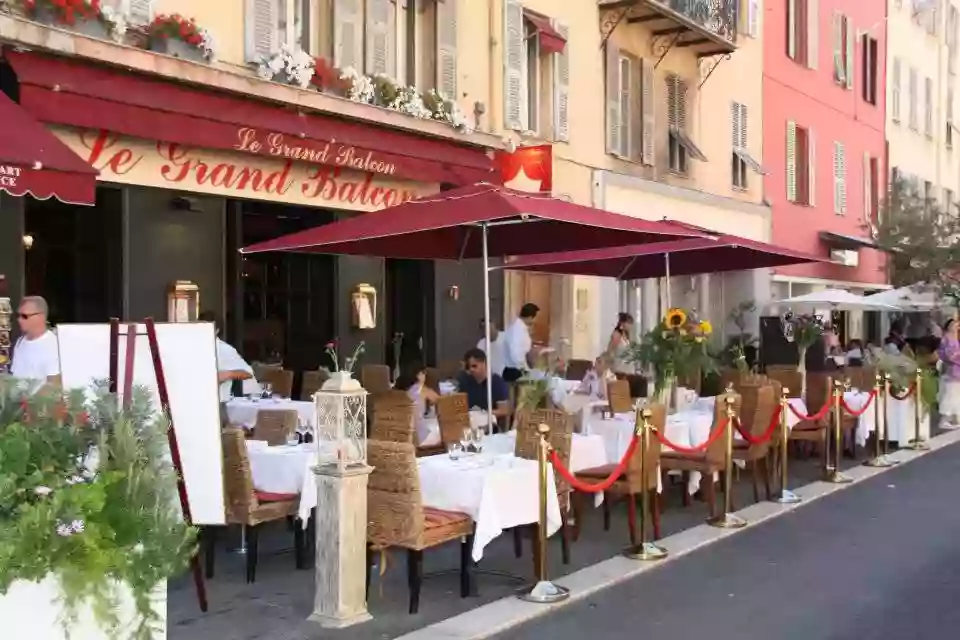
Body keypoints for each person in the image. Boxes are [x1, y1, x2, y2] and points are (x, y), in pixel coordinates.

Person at [198, 311, 256, 404]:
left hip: (219, 404)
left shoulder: (224, 349)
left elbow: (249, 373)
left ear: (217, 330)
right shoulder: (191, 348)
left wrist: (227, 374)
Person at [10, 295, 60, 389]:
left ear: (40, 317)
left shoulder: (53, 345)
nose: (19, 320)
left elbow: (54, 385)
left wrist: (32, 402)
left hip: (40, 403)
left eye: (24, 316)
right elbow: (15, 378)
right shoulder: (20, 342)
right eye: (18, 315)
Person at [456, 348, 510, 421]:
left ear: (484, 363)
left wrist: (483, 414)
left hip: (488, 423)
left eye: (474, 366)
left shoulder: (497, 383)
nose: (471, 370)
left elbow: (504, 410)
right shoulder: (463, 379)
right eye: (468, 367)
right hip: (466, 422)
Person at [393, 362, 440, 444]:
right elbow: (442, 402)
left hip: (402, 435)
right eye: (424, 373)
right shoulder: (422, 389)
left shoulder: (400, 389)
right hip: (420, 436)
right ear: (419, 374)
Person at [502, 303, 539, 383]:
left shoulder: (521, 328)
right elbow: (515, 352)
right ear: (530, 317)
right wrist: (523, 369)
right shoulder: (517, 330)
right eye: (535, 318)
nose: (535, 321)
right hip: (515, 371)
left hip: (519, 369)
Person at [938, 319, 960, 429]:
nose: (956, 327)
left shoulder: (954, 337)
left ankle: (953, 418)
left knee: (955, 395)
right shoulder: (947, 338)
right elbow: (948, 355)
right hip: (952, 370)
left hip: (956, 369)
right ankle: (945, 419)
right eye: (954, 325)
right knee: (950, 395)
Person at [606, 312, 635, 377]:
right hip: (619, 369)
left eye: (631, 323)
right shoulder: (616, 335)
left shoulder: (626, 336)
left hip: (628, 369)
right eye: (629, 323)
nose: (630, 325)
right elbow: (610, 351)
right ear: (622, 323)